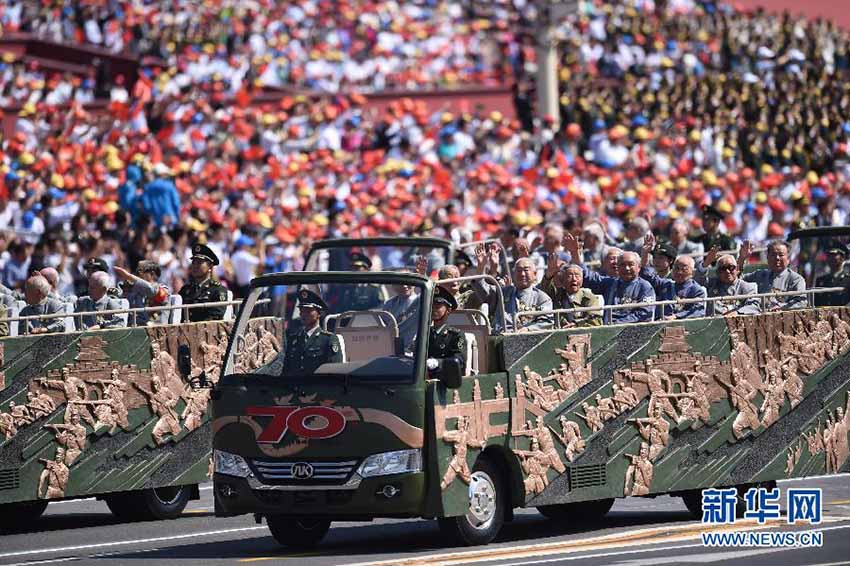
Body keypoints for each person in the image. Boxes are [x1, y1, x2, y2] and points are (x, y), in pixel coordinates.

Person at [563, 233, 655, 324]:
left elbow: (644, 314)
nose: (626, 268)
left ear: (638, 267)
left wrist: (618, 323)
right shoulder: (610, 283)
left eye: (630, 265)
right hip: (608, 331)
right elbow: (587, 277)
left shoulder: (645, 287)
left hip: (632, 331)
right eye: (622, 265)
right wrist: (575, 253)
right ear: (618, 267)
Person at [471, 245, 553, 332]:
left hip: (528, 339)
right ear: (513, 274)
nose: (522, 274)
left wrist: (528, 329)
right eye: (518, 270)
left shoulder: (542, 298)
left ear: (535, 274)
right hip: (501, 337)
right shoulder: (504, 292)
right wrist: (481, 267)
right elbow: (483, 291)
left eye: (526, 270)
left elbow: (546, 323)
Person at [640, 234, 707, 319]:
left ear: (692, 272)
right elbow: (647, 276)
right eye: (676, 268)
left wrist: (676, 316)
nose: (679, 272)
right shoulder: (666, 284)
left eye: (684, 269)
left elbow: (698, 311)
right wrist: (645, 254)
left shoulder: (696, 290)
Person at [282, 290, 343, 375]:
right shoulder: (293, 339)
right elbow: (286, 370)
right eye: (301, 310)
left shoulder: (328, 339)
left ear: (319, 314)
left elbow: (334, 372)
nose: (303, 314)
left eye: (308, 310)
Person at [741, 240, 807, 310]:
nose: (777, 258)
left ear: (788, 259)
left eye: (781, 255)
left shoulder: (796, 279)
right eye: (773, 255)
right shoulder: (760, 274)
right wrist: (742, 258)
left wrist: (782, 307)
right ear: (767, 258)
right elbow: (736, 279)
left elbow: (801, 302)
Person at [539, 258, 602, 328]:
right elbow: (545, 288)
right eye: (569, 276)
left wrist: (577, 324)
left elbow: (596, 320)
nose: (574, 279)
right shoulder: (558, 294)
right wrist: (549, 274)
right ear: (562, 280)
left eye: (577, 276)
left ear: (582, 280)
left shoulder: (588, 297)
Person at [698, 252, 761, 316]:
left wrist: (737, 313)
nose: (727, 271)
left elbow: (754, 306)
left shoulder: (748, 287)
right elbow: (697, 281)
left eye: (731, 267)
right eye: (723, 269)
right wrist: (705, 264)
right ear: (717, 272)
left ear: (737, 269)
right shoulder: (712, 283)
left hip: (738, 323)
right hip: (714, 323)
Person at [179, 244, 229, 322]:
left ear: (210, 267)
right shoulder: (186, 289)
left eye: (199, 262)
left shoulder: (217, 290)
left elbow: (215, 316)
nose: (195, 266)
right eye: (193, 262)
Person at [114, 261, 170, 325]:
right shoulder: (136, 290)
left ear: (152, 274)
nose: (137, 274)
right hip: (138, 326)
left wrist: (129, 276)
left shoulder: (163, 289)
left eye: (140, 271)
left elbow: (153, 291)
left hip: (158, 327)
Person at [427, 286, 466, 375]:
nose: (433, 309)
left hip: (445, 379)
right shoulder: (425, 333)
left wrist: (438, 363)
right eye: (431, 305)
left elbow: (459, 361)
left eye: (438, 306)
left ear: (448, 310)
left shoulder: (456, 335)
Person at [381, 272, 420, 350]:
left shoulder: (420, 301)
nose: (404, 286)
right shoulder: (389, 304)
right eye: (400, 283)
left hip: (412, 349)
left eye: (408, 282)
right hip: (390, 348)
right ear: (393, 285)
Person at [814, 242, 850, 307]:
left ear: (842, 257)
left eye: (834, 255)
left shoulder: (848, 279)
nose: (831, 258)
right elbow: (817, 304)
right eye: (829, 255)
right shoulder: (820, 280)